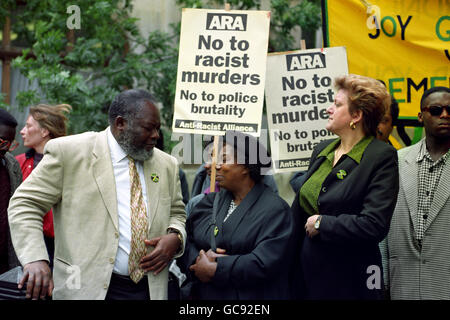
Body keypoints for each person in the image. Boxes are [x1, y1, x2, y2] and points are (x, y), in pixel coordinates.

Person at [8, 89, 186, 300]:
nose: (156, 136)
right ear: (121, 123)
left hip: (149, 288)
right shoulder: (70, 153)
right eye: (149, 128)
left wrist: (175, 235)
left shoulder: (166, 165)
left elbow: (177, 211)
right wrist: (35, 258)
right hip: (86, 287)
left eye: (157, 128)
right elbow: (25, 204)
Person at [291, 74, 399, 299]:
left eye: (337, 104)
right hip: (309, 273)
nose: (329, 109)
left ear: (356, 115)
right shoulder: (322, 149)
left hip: (353, 277)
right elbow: (301, 209)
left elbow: (374, 225)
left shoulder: (381, 156)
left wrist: (323, 223)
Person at [178, 131, 294, 300]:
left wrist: (217, 268)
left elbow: (264, 262)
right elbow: (186, 241)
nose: (212, 165)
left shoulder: (276, 210)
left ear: (247, 166)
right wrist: (199, 262)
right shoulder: (209, 202)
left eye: (223, 159)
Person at [381, 86, 450, 300]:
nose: (445, 115)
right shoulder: (396, 161)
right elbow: (381, 224)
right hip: (403, 284)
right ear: (421, 116)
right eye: (436, 110)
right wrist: (382, 281)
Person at [15, 104, 72, 269]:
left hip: (61, 246)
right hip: (28, 241)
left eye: (28, 126)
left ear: (44, 131)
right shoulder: (19, 162)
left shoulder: (68, 162)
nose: (22, 131)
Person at [0, 109, 22, 275]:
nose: (6, 149)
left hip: (5, 261)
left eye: (10, 143)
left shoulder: (12, 165)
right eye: (2, 141)